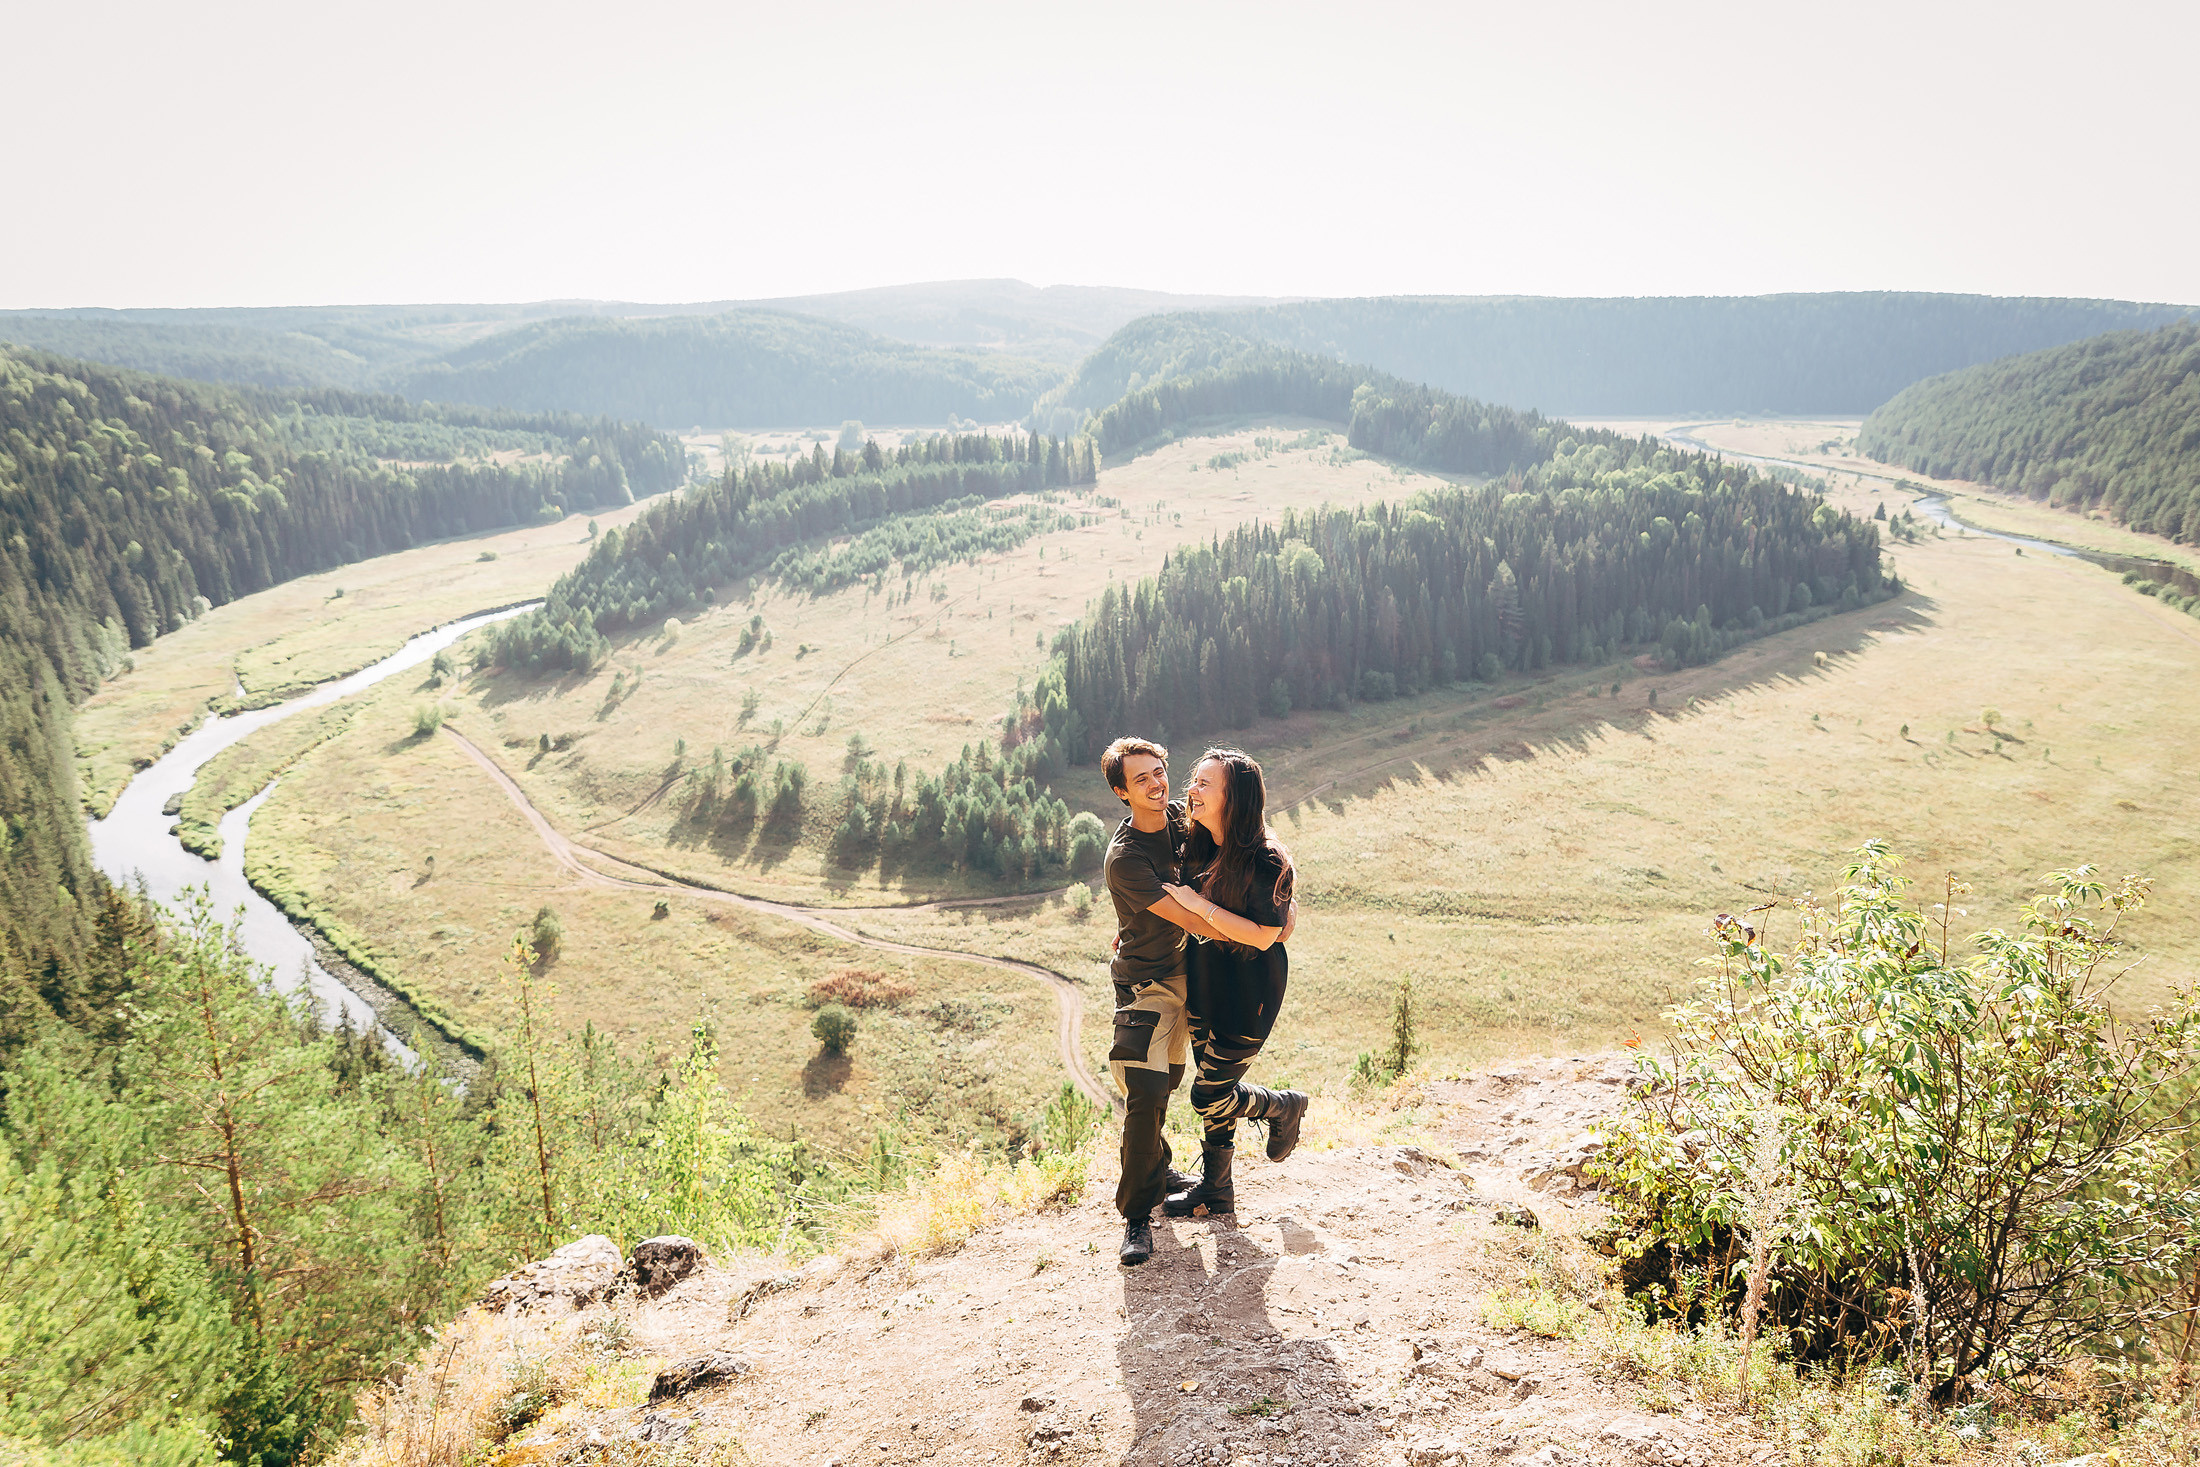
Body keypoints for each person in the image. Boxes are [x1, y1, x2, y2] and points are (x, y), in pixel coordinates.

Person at [1157, 746, 1307, 1220]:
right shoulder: (1198, 843)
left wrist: (1199, 906)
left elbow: (1264, 936)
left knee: (1208, 1092)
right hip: (1205, 981)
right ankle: (1218, 1190)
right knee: (1210, 1087)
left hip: (1250, 994)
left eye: (1204, 784)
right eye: (1194, 781)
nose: (1192, 791)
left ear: (1234, 798)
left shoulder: (1265, 858)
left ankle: (1281, 1106)